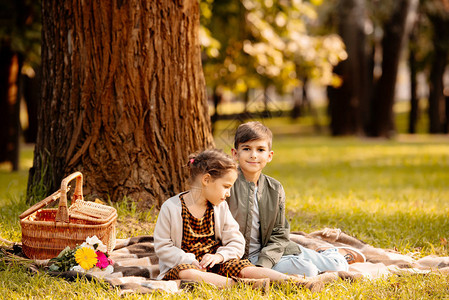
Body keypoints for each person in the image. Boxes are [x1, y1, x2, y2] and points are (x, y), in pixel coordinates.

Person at [154, 149, 311, 291]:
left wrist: (219, 257)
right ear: (206, 180)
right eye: (226, 186)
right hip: (187, 265)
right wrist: (190, 260)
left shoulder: (220, 207)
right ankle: (240, 286)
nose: (228, 193)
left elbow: (236, 241)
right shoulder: (171, 208)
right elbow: (163, 247)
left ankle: (293, 282)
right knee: (188, 273)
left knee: (245, 267)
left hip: (217, 263)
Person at [227, 121, 365, 277]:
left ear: (269, 156)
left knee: (338, 264)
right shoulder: (227, 186)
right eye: (246, 149)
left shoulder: (274, 188)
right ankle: (313, 258)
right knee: (308, 271)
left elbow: (279, 233)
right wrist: (259, 267)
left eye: (260, 150)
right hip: (247, 258)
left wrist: (265, 262)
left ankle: (333, 253)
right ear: (235, 154)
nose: (253, 155)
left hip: (276, 251)